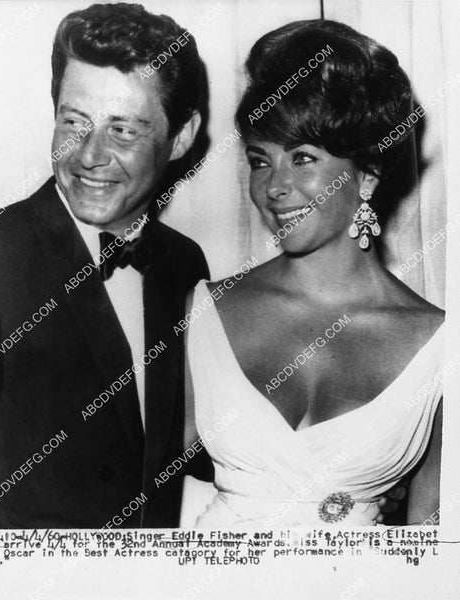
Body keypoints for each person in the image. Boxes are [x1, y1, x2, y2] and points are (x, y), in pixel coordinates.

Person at [185, 19, 444, 527]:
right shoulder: (203, 310)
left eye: (302, 158)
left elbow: (431, 542)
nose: (273, 188)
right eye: (261, 160)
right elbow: (134, 479)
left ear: (366, 174)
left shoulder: (439, 343)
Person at [0, 2, 212, 529]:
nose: (89, 155)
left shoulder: (185, 262)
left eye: (123, 131)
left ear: (183, 137)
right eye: (74, 122)